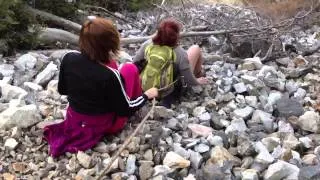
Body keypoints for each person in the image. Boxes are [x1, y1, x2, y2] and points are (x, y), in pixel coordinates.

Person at [43, 17, 158, 157]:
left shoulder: (69, 57)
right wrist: (146, 95)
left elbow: (63, 90)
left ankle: (124, 86)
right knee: (129, 68)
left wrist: (87, 90)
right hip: (104, 125)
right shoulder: (110, 75)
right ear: (110, 44)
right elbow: (125, 110)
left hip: (74, 117)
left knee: (115, 67)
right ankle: (137, 92)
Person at [133, 18, 208, 107]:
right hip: (168, 92)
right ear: (176, 35)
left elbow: (134, 65)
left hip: (146, 91)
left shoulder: (147, 45)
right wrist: (197, 82)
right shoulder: (180, 53)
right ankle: (200, 74)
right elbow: (188, 79)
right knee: (195, 48)